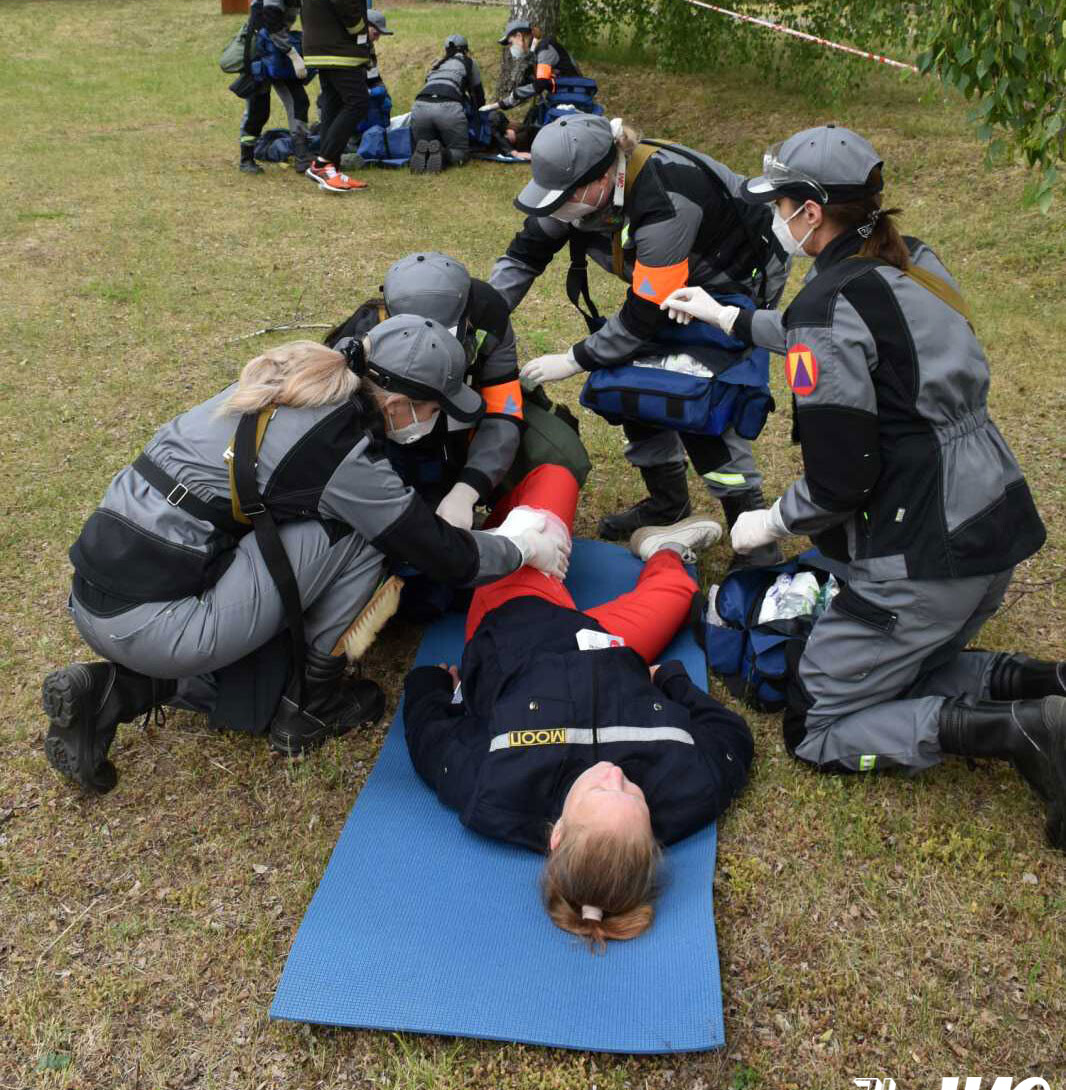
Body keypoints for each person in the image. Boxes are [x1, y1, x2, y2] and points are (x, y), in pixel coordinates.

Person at [664, 123, 1066, 849]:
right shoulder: (914, 263)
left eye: (781, 203)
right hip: (992, 529)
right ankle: (1048, 687)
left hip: (922, 557)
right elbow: (857, 332)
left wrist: (771, 522)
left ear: (810, 213)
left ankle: (1022, 733)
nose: (775, 217)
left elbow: (841, 480)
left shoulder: (829, 307)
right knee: (908, 662)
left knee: (816, 725)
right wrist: (730, 316)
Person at [41, 316, 570, 795]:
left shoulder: (295, 379)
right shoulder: (336, 452)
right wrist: (522, 546)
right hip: (155, 622)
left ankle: (114, 690)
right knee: (364, 536)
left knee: (311, 534)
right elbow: (440, 554)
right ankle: (309, 705)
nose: (435, 421)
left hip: (97, 593)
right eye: (435, 410)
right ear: (397, 405)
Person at [403, 462, 751, 946]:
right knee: (678, 591)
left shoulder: (493, 788)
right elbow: (733, 737)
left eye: (603, 794)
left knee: (554, 478)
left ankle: (489, 536)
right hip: (608, 643)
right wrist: (672, 680)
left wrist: (429, 685)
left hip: (520, 616)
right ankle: (663, 549)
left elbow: (430, 742)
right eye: (634, 795)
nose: (616, 776)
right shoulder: (691, 788)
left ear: (558, 834)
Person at [489, 113, 790, 563]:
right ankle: (668, 502)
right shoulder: (576, 192)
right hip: (665, 279)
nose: (559, 208)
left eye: (566, 197)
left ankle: (753, 532)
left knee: (702, 398)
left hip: (732, 280)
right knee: (630, 384)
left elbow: (641, 317)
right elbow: (524, 257)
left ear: (607, 175)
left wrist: (574, 359)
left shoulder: (665, 203)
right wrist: (481, 318)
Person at [325, 252, 525, 528]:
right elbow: (342, 435)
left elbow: (503, 411)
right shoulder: (364, 339)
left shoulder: (490, 318)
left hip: (462, 423)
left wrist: (467, 489)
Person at [300, 0, 372, 193]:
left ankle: (331, 168)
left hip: (317, 43)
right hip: (339, 45)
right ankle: (323, 163)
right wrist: (359, 30)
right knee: (358, 101)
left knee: (332, 102)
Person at [236, 0, 314, 175]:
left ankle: (302, 155)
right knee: (259, 108)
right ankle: (246, 158)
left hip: (279, 49)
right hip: (260, 50)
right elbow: (271, 21)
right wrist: (292, 54)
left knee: (299, 100)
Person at [487, 18, 582, 143]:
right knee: (531, 118)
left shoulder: (545, 49)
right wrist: (503, 103)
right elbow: (529, 86)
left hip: (572, 98)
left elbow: (540, 84)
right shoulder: (537, 52)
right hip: (562, 96)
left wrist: (510, 98)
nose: (510, 48)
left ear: (519, 36)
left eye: (510, 43)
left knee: (529, 134)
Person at [409, 33, 486, 174]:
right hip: (448, 107)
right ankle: (443, 154)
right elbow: (478, 95)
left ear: (446, 50)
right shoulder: (469, 62)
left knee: (426, 144)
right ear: (465, 49)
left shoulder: (436, 63)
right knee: (461, 153)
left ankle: (424, 154)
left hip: (420, 106)